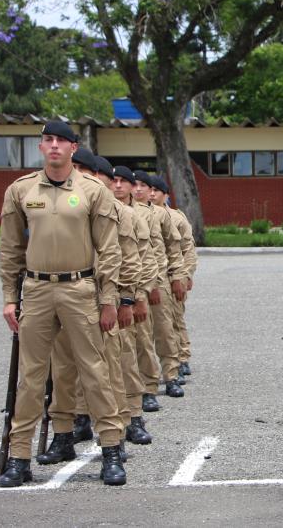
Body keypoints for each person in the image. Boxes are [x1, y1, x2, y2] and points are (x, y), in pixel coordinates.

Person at [0, 121, 126, 487]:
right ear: (41, 147)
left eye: (61, 141)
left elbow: (109, 249)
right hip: (36, 290)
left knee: (95, 372)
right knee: (31, 378)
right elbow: (10, 250)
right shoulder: (21, 190)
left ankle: (112, 450)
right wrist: (10, 297)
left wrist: (109, 298)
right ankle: (20, 456)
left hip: (80, 288)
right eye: (48, 140)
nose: (54, 146)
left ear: (73, 147)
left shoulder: (92, 191)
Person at [36, 151, 141, 466]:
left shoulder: (119, 212)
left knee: (106, 372)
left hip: (101, 303)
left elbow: (130, 262)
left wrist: (125, 300)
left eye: (86, 170)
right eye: (76, 169)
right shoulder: (62, 206)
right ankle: (64, 434)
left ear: (104, 178)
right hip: (64, 299)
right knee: (63, 371)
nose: (78, 175)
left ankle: (116, 433)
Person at [132, 171, 187, 399]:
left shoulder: (162, 215)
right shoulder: (124, 213)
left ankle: (171, 375)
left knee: (164, 331)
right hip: (135, 283)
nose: (139, 189)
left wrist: (178, 277)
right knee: (141, 338)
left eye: (143, 185)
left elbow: (174, 249)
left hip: (160, 279)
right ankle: (147, 387)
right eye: (134, 185)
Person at [112, 164, 157, 444]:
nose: (117, 186)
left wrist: (139, 295)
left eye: (122, 181)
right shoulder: (88, 209)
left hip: (124, 295)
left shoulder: (139, 216)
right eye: (112, 180)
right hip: (87, 295)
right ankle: (78, 419)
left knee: (129, 355)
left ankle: (134, 416)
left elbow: (147, 258)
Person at [151, 177, 198, 384]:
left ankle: (182, 356)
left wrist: (185, 275)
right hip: (155, 276)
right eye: (148, 189)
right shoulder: (142, 214)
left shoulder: (176, 218)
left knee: (176, 320)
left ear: (166, 195)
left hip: (172, 276)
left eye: (156, 190)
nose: (152, 194)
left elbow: (187, 250)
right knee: (160, 325)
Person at [129, 171, 164, 411]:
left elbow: (158, 251)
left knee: (147, 337)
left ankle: (150, 387)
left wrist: (152, 285)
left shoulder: (150, 215)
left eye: (144, 185)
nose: (142, 190)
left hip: (139, 285)